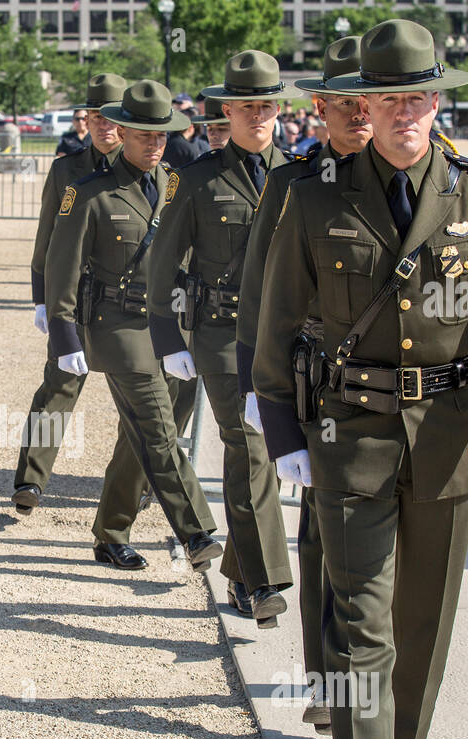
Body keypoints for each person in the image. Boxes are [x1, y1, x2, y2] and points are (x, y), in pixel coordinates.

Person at [254, 19, 468, 739]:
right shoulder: (315, 197)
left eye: (421, 96)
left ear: (435, 100)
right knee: (362, 620)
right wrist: (282, 432)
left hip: (452, 437)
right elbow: (276, 324)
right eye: (391, 97)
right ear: (366, 105)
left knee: (424, 621)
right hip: (349, 437)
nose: (407, 112)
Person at [238, 35, 372, 732]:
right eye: (343, 102)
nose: (358, 114)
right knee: (323, 538)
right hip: (318, 382)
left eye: (367, 99)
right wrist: (256, 392)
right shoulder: (291, 186)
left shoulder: (403, 183)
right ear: (319, 108)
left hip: (394, 392)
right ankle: (327, 682)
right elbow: (260, 293)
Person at [45, 79, 222, 573]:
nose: (155, 143)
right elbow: (63, 264)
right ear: (121, 132)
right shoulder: (87, 192)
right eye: (145, 134)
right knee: (158, 427)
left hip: (172, 327)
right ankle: (197, 532)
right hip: (117, 325)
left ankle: (110, 532)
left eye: (162, 135)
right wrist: (62, 332)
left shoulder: (176, 185)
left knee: (139, 434)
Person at [149, 50, 298, 625]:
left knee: (257, 455)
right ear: (226, 111)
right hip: (219, 332)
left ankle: (239, 574)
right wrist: (169, 337)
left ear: (277, 109)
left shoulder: (304, 175)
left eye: (266, 105)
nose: (257, 115)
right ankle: (264, 584)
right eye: (246, 106)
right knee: (250, 446)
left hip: (283, 338)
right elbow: (162, 265)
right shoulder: (194, 179)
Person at [12, 72, 128, 517]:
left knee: (135, 401)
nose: (102, 126)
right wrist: (41, 295)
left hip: (125, 302)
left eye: (111, 117)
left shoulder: (149, 168)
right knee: (57, 391)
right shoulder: (67, 168)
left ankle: (134, 485)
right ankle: (30, 481)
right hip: (74, 299)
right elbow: (48, 233)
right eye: (94, 117)